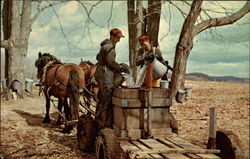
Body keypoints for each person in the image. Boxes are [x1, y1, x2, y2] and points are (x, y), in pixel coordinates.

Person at [95, 28, 130, 128]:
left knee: (102, 98)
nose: (119, 40)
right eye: (118, 38)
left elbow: (98, 57)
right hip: (106, 74)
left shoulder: (104, 46)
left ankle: (98, 120)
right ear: (112, 36)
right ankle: (105, 125)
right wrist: (120, 67)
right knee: (108, 99)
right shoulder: (110, 47)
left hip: (100, 72)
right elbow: (110, 62)